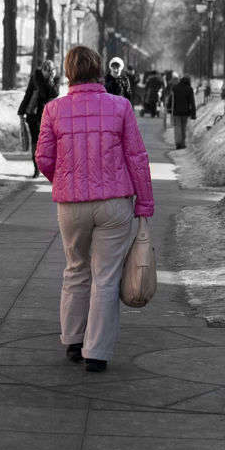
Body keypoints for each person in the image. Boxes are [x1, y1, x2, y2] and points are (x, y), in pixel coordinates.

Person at [35, 45, 154, 373]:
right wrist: (144, 203)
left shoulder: (53, 109)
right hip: (115, 203)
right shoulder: (121, 106)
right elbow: (137, 158)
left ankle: (73, 340)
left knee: (75, 269)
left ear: (69, 72)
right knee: (106, 277)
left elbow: (44, 158)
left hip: (71, 205)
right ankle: (97, 352)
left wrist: (63, 180)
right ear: (99, 70)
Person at [17, 59, 58, 178]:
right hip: (33, 114)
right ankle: (36, 168)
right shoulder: (35, 78)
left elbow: (54, 93)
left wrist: (49, 81)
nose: (46, 72)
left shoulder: (55, 79)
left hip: (47, 116)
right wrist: (21, 111)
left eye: (48, 70)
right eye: (44, 69)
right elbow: (28, 94)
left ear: (52, 71)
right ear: (42, 69)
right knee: (35, 141)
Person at [166, 75, 196, 149]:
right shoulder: (189, 89)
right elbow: (192, 102)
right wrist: (193, 114)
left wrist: (168, 108)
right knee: (183, 127)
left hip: (176, 111)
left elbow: (171, 99)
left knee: (177, 127)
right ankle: (182, 143)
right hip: (185, 112)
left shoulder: (175, 88)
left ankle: (178, 143)